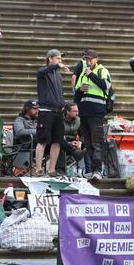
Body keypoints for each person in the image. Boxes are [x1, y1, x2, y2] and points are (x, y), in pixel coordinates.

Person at [33, 49, 86, 177]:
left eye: (60, 59)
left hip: (58, 111)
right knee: (43, 140)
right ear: (50, 59)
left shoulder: (58, 75)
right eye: (57, 58)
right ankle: (38, 168)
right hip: (46, 110)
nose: (60, 61)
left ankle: (51, 169)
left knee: (57, 141)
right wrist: (56, 66)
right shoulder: (43, 73)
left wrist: (62, 104)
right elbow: (41, 71)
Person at [73, 49, 111, 180]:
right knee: (87, 143)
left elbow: (105, 86)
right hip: (84, 112)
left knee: (97, 143)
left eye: (90, 59)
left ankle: (98, 170)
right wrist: (79, 90)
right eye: (86, 59)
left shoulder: (102, 71)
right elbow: (76, 95)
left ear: (96, 59)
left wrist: (91, 75)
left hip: (96, 112)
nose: (88, 61)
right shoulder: (83, 73)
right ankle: (90, 170)